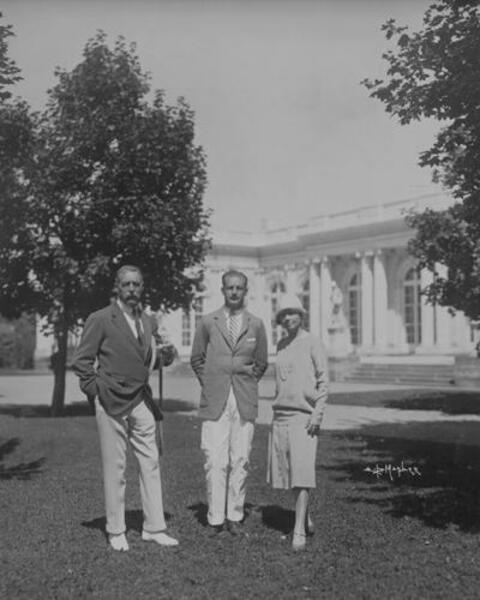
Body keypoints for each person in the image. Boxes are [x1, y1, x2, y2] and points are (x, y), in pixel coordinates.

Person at [72, 265, 178, 551]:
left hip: (141, 399)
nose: (132, 290)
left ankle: (154, 528)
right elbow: (82, 362)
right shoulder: (100, 319)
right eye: (127, 285)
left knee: (151, 463)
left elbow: (145, 359)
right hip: (111, 401)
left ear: (142, 288)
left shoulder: (147, 320)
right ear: (117, 287)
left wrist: (165, 358)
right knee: (115, 467)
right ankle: (116, 529)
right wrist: (96, 392)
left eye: (137, 285)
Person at [190, 269, 268, 535]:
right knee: (214, 459)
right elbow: (197, 359)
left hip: (244, 400)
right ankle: (215, 518)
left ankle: (235, 515)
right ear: (222, 290)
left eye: (239, 288)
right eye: (230, 288)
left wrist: (246, 383)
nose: (234, 292)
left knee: (241, 459)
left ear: (246, 291)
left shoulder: (255, 324)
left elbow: (261, 363)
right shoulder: (208, 322)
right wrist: (212, 383)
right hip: (216, 399)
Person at [267, 294, 328, 551]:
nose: (288, 318)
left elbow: (323, 380)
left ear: (301, 315)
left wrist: (318, 414)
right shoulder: (281, 345)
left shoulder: (313, 342)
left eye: (292, 313)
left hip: (304, 417)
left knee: (302, 473)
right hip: (280, 417)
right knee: (290, 473)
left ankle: (299, 529)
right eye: (283, 315)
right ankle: (306, 516)